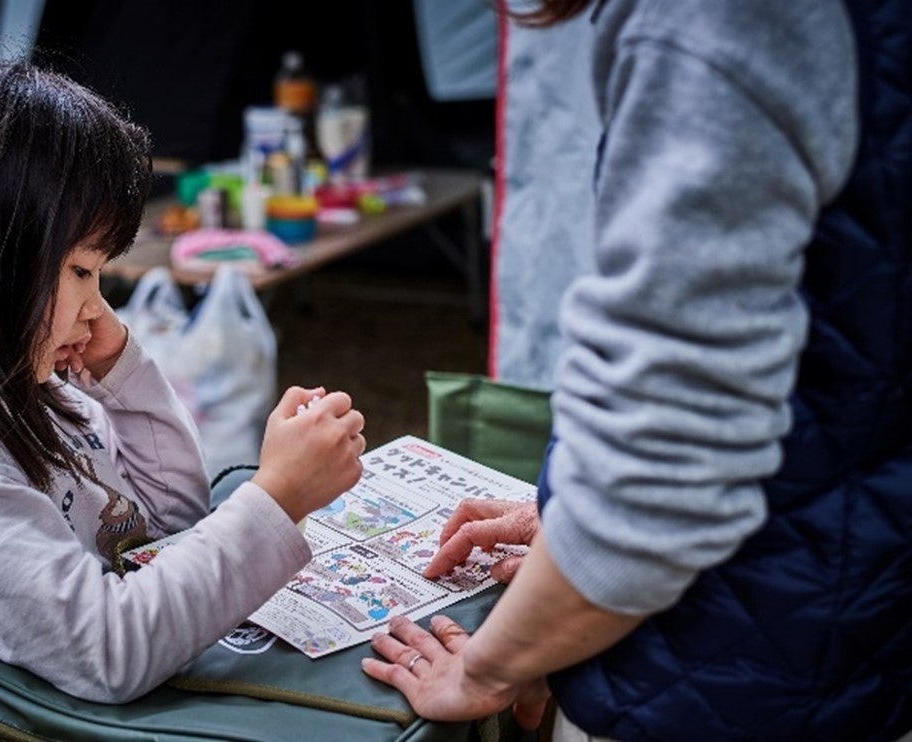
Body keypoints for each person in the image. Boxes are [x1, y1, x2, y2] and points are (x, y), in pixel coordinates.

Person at [362, 0, 912, 739]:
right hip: (850, 636)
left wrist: (487, 667)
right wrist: (568, 523)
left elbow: (658, 479)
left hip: (728, 676)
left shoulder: (714, 19)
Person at [0, 53, 366, 741]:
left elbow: (165, 524)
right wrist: (276, 498)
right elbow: (108, 651)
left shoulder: (26, 384)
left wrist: (125, 374)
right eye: (80, 269)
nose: (94, 308)